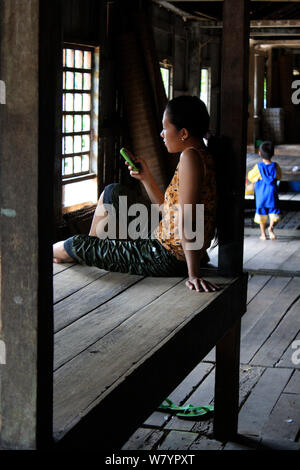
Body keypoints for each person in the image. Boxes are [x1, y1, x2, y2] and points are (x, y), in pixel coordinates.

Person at [53, 95, 219, 293]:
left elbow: (188, 220)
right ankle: (92, 252)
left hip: (164, 257)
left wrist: (194, 274)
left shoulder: (190, 157)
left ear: (183, 133)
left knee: (73, 244)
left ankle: (84, 252)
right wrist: (146, 178)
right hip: (165, 243)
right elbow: (170, 213)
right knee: (112, 192)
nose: (162, 134)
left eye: (165, 128)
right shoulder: (201, 154)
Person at [248, 140, 281, 240]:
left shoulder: (258, 167)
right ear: (273, 153)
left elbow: (250, 176)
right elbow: (279, 176)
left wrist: (258, 178)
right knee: (273, 212)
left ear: (259, 153)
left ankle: (263, 234)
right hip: (272, 194)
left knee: (261, 214)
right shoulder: (276, 166)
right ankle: (271, 228)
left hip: (261, 196)